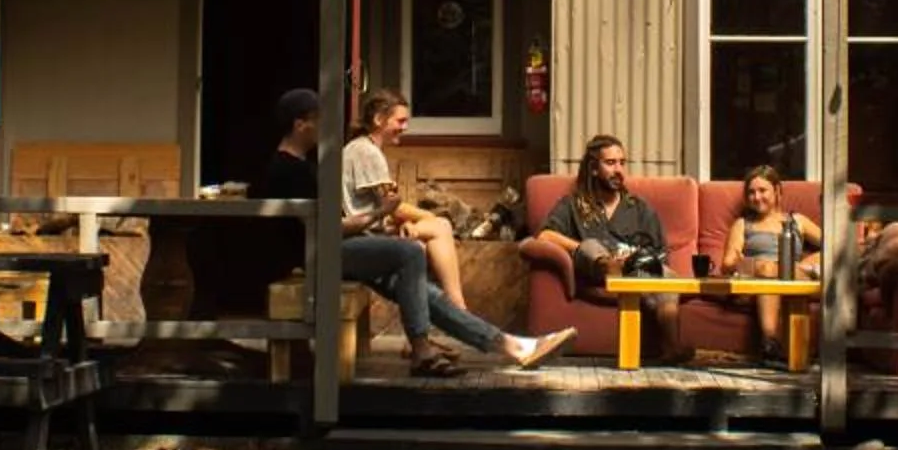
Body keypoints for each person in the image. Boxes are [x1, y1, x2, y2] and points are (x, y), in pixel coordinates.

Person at [268, 89, 570, 376]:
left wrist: (381, 221)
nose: (326, 127)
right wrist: (382, 213)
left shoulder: (304, 166)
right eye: (320, 120)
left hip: (338, 246)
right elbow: (330, 228)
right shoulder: (288, 171)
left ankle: (512, 346)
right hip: (321, 254)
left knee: (424, 292)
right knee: (410, 251)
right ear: (301, 124)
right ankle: (422, 349)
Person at [532, 134, 685, 362]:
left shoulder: (640, 209)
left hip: (635, 272)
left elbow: (660, 256)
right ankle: (610, 266)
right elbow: (545, 235)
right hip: (594, 270)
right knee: (591, 246)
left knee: (670, 279)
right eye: (610, 163)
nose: (619, 170)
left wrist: (636, 260)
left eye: (622, 163)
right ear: (594, 168)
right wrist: (581, 247)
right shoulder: (574, 204)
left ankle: (672, 348)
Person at [338, 89, 470, 308]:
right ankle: (457, 306)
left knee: (431, 238)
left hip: (372, 228)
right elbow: (394, 207)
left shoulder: (363, 148)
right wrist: (425, 216)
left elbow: (387, 205)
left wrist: (407, 221)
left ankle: (447, 304)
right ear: (379, 119)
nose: (405, 127)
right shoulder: (366, 151)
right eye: (400, 121)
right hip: (362, 235)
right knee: (440, 227)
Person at [720, 165, 821, 280]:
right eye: (751, 192)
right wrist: (751, 265)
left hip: (794, 281)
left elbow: (833, 244)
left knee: (770, 270)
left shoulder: (797, 220)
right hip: (758, 283)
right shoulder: (742, 224)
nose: (757, 197)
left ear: (776, 190)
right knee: (765, 270)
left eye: (762, 190)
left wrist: (805, 263)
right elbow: (727, 265)